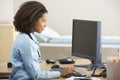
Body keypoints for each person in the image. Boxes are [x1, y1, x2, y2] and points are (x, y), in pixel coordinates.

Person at [9, 1, 76, 80]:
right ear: (33, 20)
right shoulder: (27, 43)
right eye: (43, 21)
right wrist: (60, 73)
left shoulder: (27, 36)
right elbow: (36, 75)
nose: (45, 25)